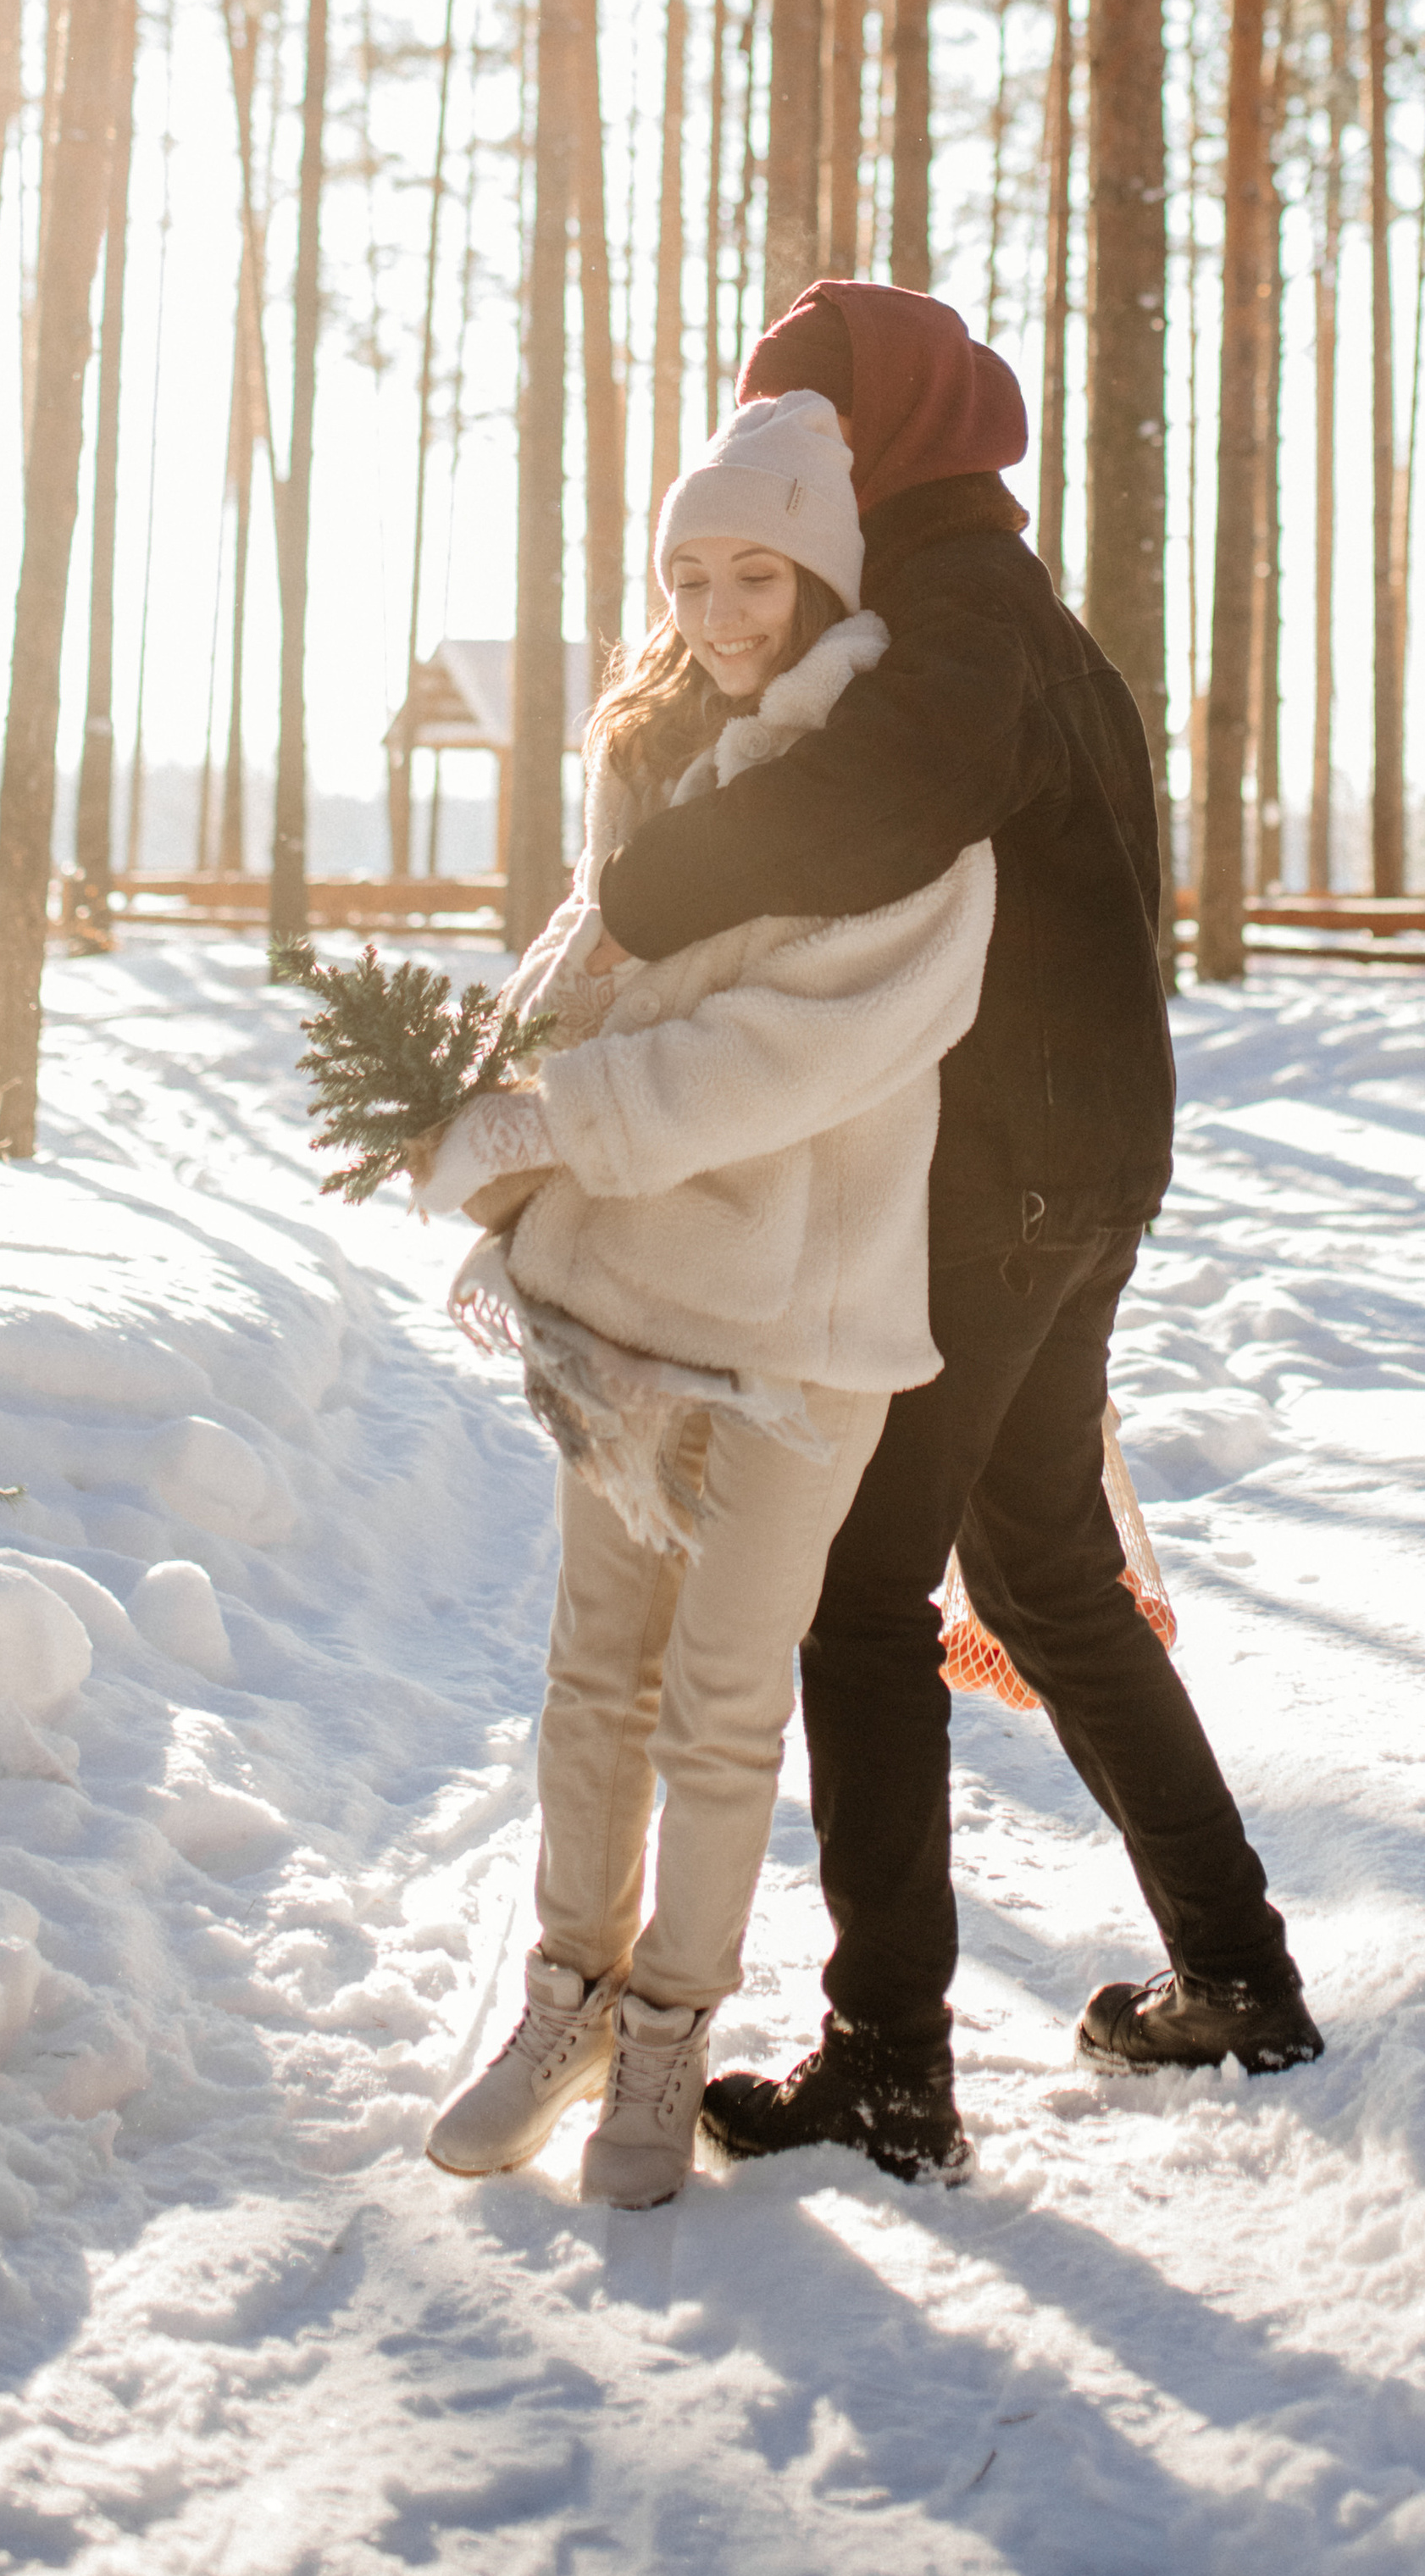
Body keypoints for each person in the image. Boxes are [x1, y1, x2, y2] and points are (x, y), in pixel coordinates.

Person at [580, 281, 1322, 2185]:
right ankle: (1235, 1973)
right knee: (1047, 1575)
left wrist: (645, 894)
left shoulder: (959, 616)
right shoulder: (1006, 609)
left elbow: (872, 805)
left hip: (1001, 1178)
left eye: (809, 424)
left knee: (857, 1597)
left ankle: (890, 2066)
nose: (785, 457)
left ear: (886, 429)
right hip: (1078, 1162)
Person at [415, 389, 998, 2209]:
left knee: (725, 1701)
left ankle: (670, 2026)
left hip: (799, 1330)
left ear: (820, 572)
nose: (720, 610)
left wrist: (562, 1114)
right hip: (622, 1301)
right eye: (688, 576)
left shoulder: (896, 777)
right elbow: (587, 959)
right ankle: (566, 2002)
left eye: (755, 573)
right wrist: (479, 1090)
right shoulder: (649, 747)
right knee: (593, 1679)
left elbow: (799, 1048)